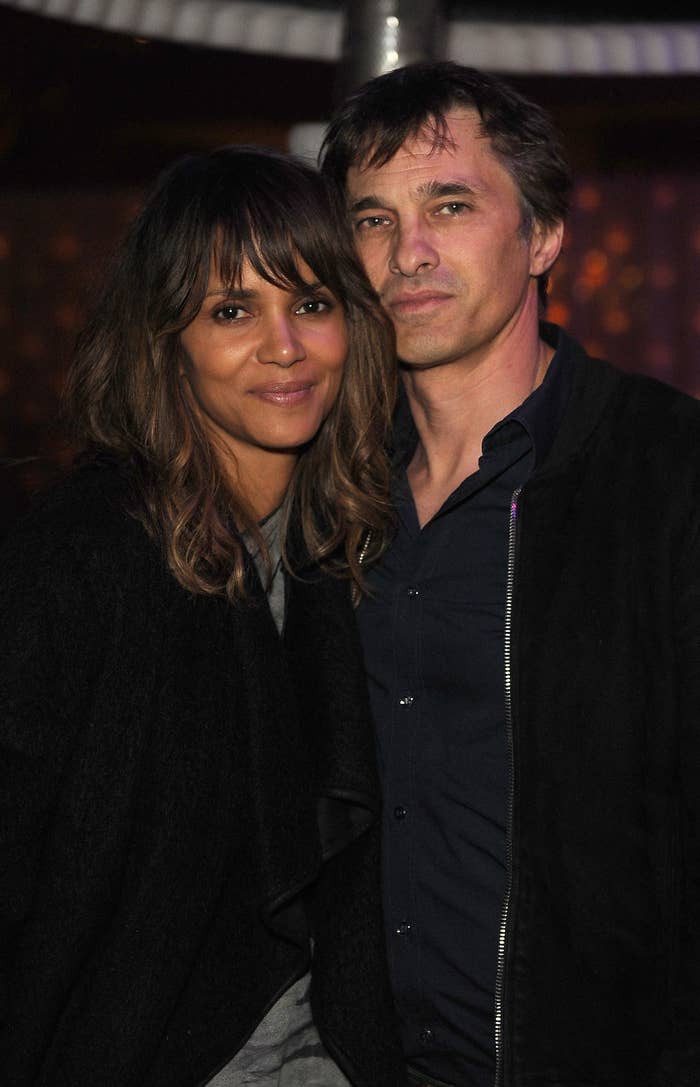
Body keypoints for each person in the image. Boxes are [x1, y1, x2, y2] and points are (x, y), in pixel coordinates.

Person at [319, 60, 700, 1087]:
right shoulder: (324, 494)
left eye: (449, 203)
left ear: (542, 233)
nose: (409, 252)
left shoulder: (665, 473)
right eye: (371, 218)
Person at [0, 144, 407, 1087]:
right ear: (164, 337)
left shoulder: (324, 548)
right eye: (233, 310)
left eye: (311, 302)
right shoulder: (84, 555)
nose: (285, 346)